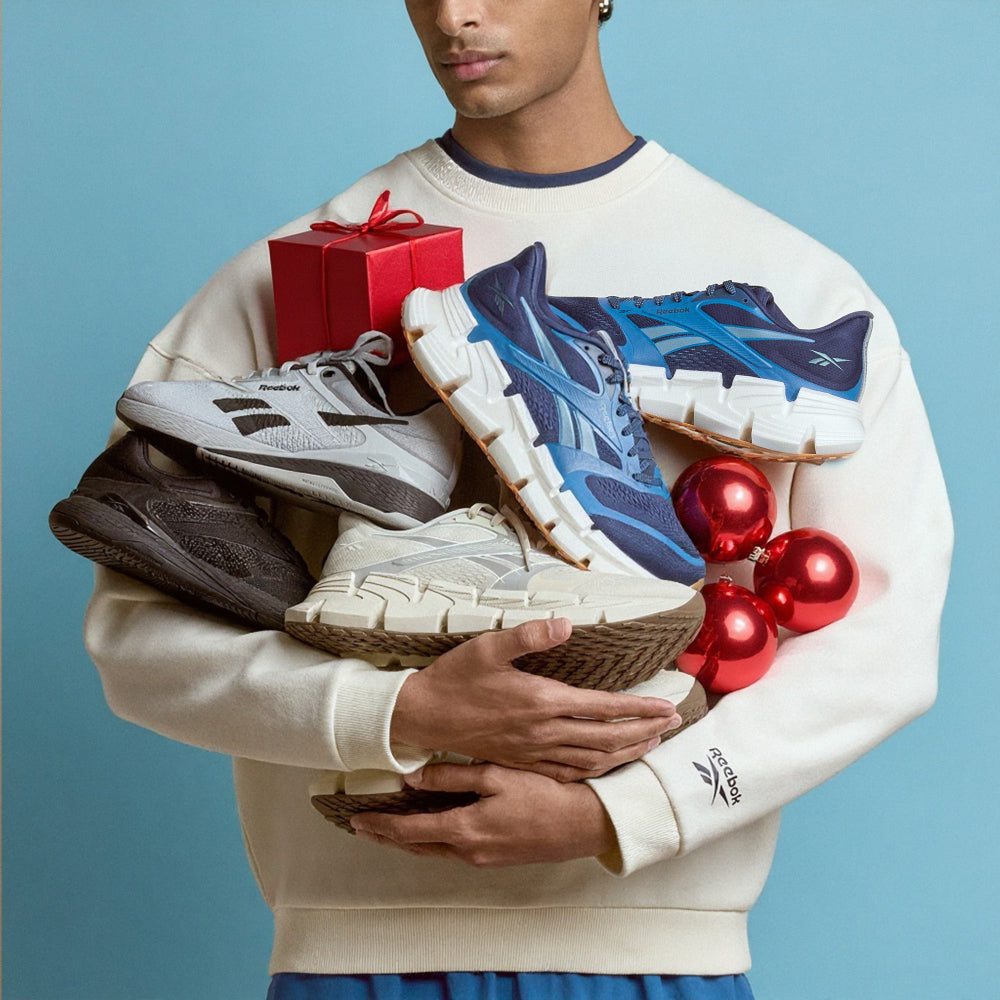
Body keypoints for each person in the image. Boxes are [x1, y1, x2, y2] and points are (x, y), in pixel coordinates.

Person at [81, 1, 952, 998]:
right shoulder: (280, 281)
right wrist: (395, 707)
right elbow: (134, 637)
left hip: (661, 955)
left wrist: (624, 813)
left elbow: (881, 647)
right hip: (354, 957)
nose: (457, 13)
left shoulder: (795, 287)